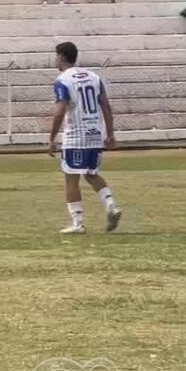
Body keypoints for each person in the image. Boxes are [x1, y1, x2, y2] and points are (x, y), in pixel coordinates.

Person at [49, 41, 122, 234]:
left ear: (61, 57)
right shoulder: (94, 77)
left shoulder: (62, 80)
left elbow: (60, 110)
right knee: (91, 173)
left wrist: (52, 137)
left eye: (56, 56)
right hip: (95, 134)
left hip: (75, 135)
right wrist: (111, 134)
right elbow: (106, 106)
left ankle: (77, 223)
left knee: (70, 178)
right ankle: (111, 205)